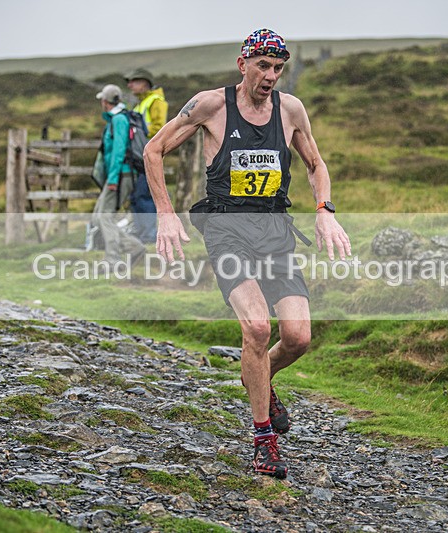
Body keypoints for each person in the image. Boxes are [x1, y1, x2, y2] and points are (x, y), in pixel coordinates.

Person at [143, 29, 350, 479]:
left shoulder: (291, 110)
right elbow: (153, 149)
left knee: (297, 337)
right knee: (257, 326)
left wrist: (324, 210)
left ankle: (257, 374)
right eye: (263, 66)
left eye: (278, 69)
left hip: (275, 234)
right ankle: (263, 441)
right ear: (243, 64)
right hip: (226, 231)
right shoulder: (211, 106)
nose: (270, 76)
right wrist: (164, 213)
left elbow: (315, 164)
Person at [92, 84, 145, 266]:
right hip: (118, 175)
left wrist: (113, 179)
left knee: (104, 216)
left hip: (121, 175)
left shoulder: (119, 120)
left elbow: (119, 151)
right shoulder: (117, 119)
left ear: (105, 101)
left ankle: (113, 258)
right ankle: (133, 246)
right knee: (98, 217)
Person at [125, 68, 168, 244]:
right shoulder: (139, 104)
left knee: (144, 195)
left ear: (145, 83)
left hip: (149, 157)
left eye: (134, 81)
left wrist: (141, 133)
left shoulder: (156, 101)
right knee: (135, 197)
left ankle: (149, 235)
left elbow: (160, 128)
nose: (130, 85)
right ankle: (141, 233)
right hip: (138, 157)